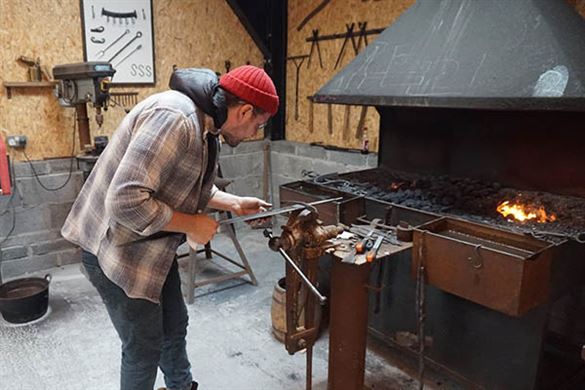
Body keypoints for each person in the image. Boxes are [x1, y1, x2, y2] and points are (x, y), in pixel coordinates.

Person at [61, 65, 279, 390]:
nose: (253, 134)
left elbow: (189, 186)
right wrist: (192, 224)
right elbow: (124, 201)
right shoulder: (176, 119)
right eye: (256, 125)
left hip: (151, 248)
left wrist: (233, 202)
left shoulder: (207, 127)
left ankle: (181, 386)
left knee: (175, 324)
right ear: (244, 110)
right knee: (143, 349)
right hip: (115, 251)